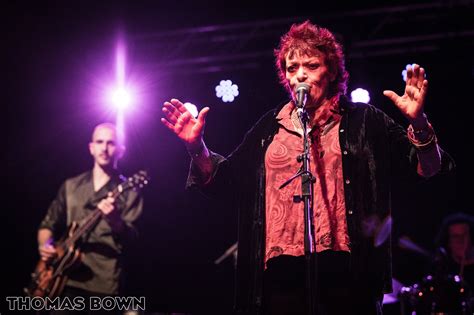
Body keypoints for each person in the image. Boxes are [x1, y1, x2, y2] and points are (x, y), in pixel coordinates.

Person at [161, 20, 453, 314]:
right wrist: (196, 147)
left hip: (347, 273)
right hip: (279, 275)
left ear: (332, 71)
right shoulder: (268, 129)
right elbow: (225, 182)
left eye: (311, 65)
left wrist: (418, 123)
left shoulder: (365, 121)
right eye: (292, 67)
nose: (299, 74)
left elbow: (427, 167)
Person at [37, 123, 143, 313]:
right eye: (99, 142)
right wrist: (45, 246)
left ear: (121, 150)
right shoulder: (71, 186)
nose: (104, 148)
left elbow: (135, 241)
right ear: (91, 147)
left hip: (103, 285)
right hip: (64, 279)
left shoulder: (130, 192)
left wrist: (115, 221)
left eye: (111, 143)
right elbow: (48, 224)